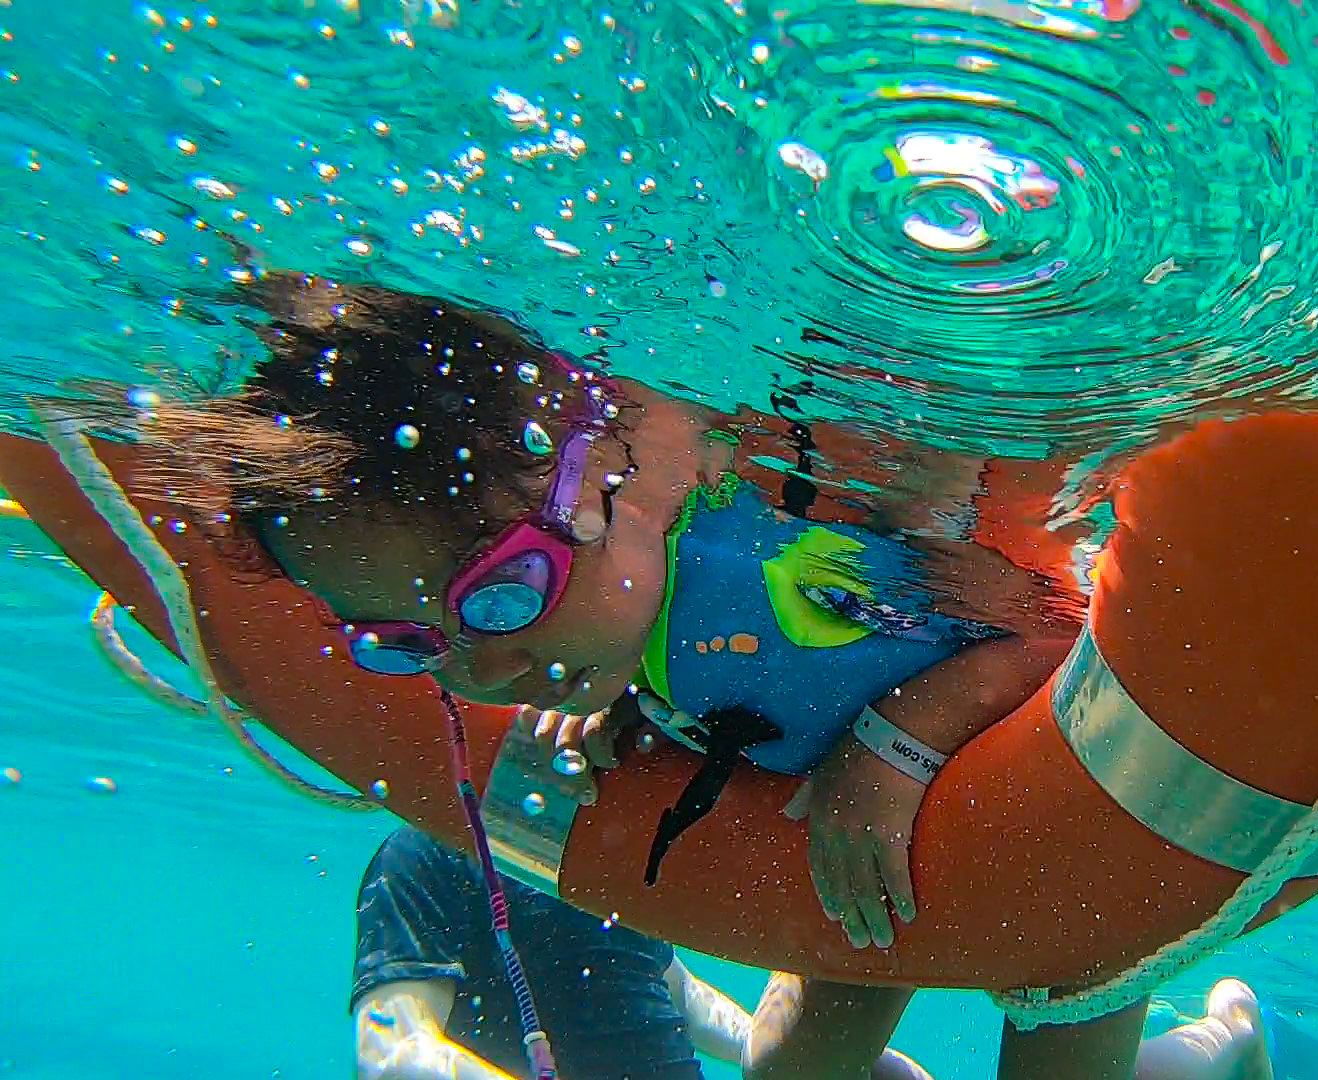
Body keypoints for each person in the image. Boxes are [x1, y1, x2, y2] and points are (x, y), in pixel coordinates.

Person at [122, 269, 1230, 1077]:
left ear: (607, 481)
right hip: (869, 845)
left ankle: (1226, 1042)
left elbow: (1058, 642)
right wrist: (636, 707)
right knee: (794, 1055)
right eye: (404, 643)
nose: (480, 665)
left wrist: (890, 753)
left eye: (497, 598)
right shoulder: (615, 609)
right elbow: (673, 647)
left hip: (1042, 808)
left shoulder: (786, 556)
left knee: (1066, 1015)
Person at [353, 825, 931, 1080]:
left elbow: (664, 985)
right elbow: (392, 1053)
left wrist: (815, 1055)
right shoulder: (426, 853)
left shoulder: (603, 847)